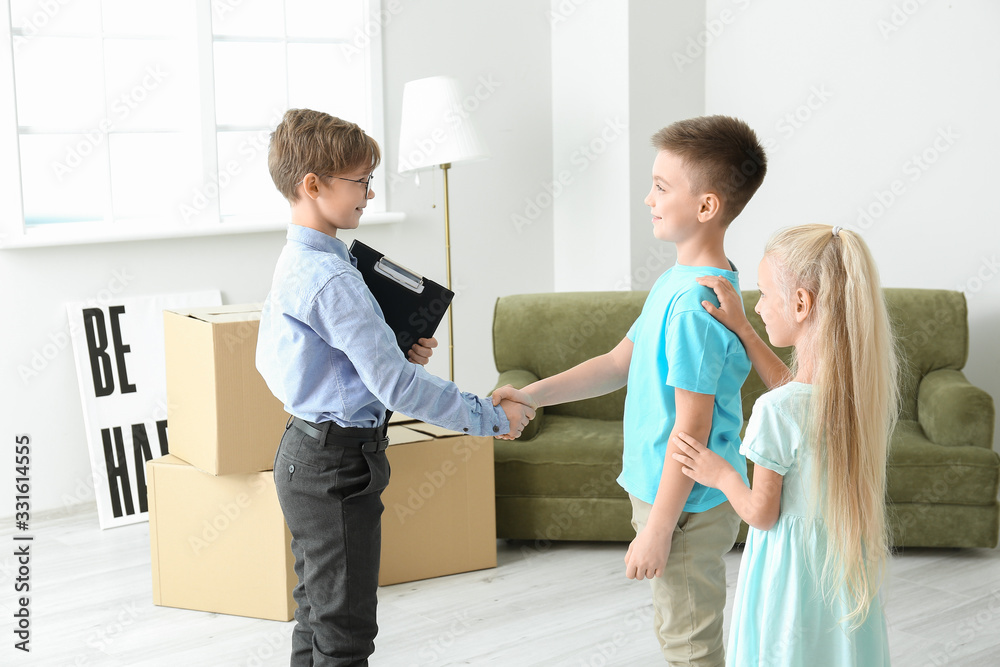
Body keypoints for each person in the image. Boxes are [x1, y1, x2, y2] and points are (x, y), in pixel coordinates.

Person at [255, 108, 535, 667]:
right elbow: (402, 390)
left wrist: (383, 355)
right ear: (313, 184)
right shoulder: (334, 277)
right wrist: (490, 416)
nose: (369, 191)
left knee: (317, 612)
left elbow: (280, 363)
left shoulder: (300, 261)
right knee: (345, 632)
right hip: (337, 466)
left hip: (303, 454)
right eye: (359, 180)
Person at [495, 115, 767, 665]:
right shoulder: (678, 282)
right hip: (672, 498)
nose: (648, 198)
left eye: (662, 188)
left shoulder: (694, 307)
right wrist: (533, 395)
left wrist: (660, 529)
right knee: (681, 630)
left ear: (707, 207)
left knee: (689, 645)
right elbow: (620, 361)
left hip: (686, 507)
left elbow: (690, 432)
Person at [672, 224, 897, 665]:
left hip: (790, 576)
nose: (756, 307)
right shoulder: (856, 395)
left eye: (763, 294)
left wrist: (719, 473)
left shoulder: (777, 410)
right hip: (840, 565)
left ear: (800, 303)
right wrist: (742, 328)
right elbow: (796, 390)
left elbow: (761, 511)